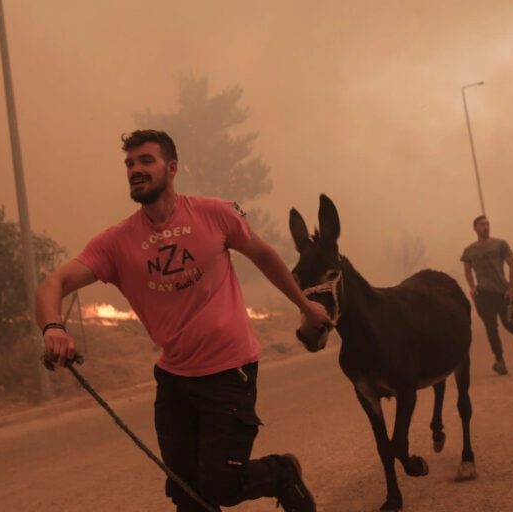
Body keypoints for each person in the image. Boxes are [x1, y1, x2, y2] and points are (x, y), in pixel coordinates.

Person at [35, 129, 329, 512]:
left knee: (222, 485)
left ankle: (281, 473)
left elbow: (264, 256)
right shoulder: (117, 242)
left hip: (230, 370)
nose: (135, 170)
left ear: (172, 168)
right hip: (175, 379)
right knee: (187, 493)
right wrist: (54, 327)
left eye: (146, 161)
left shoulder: (215, 214)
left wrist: (304, 304)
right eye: (129, 164)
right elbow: (52, 284)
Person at [461, 215, 513, 375]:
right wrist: (472, 287)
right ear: (475, 228)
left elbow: (512, 266)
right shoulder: (469, 250)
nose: (486, 227)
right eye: (482, 225)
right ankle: (499, 359)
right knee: (491, 327)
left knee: (508, 323)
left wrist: (511, 288)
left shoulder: (500, 244)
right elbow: (467, 271)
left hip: (502, 293)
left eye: (487, 224)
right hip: (483, 294)